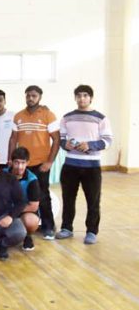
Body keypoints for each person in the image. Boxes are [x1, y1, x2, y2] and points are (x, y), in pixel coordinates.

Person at [56, 85, 113, 244]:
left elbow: (108, 141)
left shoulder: (101, 118)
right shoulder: (67, 117)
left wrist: (90, 145)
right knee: (68, 199)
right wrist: (64, 144)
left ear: (91, 98)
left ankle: (91, 231)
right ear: (75, 98)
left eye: (85, 95)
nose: (82, 98)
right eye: (79, 95)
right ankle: (67, 228)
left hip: (92, 167)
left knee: (93, 201)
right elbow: (61, 138)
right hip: (70, 166)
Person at [9, 85, 60, 239]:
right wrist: (11, 160)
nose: (31, 98)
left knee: (43, 195)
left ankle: (48, 226)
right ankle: (25, 223)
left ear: (39, 97)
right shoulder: (18, 116)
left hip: (41, 164)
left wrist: (49, 162)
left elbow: (57, 139)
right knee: (20, 195)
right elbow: (13, 139)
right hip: (22, 165)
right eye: (28, 95)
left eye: (34, 96)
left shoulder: (48, 115)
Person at [8, 147, 41, 251]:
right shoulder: (2, 174)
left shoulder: (32, 180)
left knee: (31, 221)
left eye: (23, 163)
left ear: (28, 163)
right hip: (4, 209)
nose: (20, 167)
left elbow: (33, 206)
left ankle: (27, 236)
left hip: (22, 210)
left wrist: (13, 211)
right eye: (16, 163)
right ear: (11, 162)